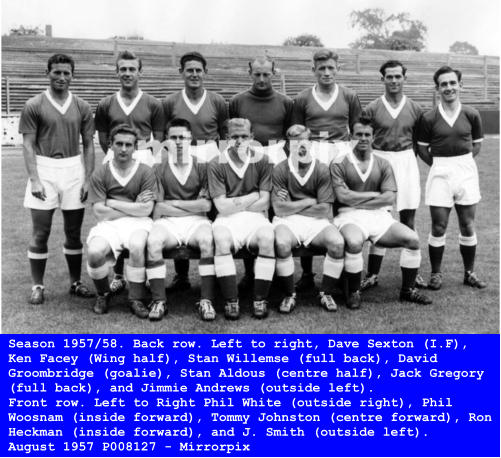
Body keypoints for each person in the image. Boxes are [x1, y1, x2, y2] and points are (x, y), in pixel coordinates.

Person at [331, 116, 432, 309]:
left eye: (367, 134)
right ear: (351, 136)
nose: (362, 138)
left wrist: (357, 196)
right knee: (353, 242)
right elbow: (343, 197)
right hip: (349, 216)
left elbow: (389, 198)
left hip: (379, 216)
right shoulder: (339, 163)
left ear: (373, 137)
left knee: (412, 239)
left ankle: (407, 290)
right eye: (358, 134)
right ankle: (353, 292)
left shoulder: (383, 163)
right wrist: (374, 195)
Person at [20, 53, 95, 305]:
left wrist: (87, 180)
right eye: (56, 72)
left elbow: (89, 146)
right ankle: (37, 285)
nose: (62, 77)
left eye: (66, 73)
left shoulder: (82, 106)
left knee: (73, 233)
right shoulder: (34, 104)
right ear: (47, 73)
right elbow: (28, 145)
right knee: (40, 232)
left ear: (73, 75)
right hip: (44, 169)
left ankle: (75, 282)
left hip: (74, 169)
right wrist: (35, 179)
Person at [94, 50, 165, 295]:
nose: (127, 73)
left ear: (139, 72)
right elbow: (104, 139)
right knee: (114, 217)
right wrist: (119, 154)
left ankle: (142, 272)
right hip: (117, 156)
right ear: (117, 72)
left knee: (143, 216)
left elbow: (159, 139)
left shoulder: (153, 103)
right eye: (122, 69)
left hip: (144, 157)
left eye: (131, 69)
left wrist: (144, 161)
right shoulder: (106, 103)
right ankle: (117, 274)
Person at [291, 49, 362, 292]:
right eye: (321, 68)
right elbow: (297, 133)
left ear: (337, 69)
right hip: (313, 152)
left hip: (341, 151)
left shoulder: (349, 96)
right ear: (313, 70)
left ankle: (342, 270)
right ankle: (308, 273)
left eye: (331, 68)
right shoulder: (302, 98)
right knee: (311, 207)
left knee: (343, 207)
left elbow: (357, 129)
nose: (326, 73)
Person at [162, 51, 228, 292]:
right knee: (181, 211)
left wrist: (218, 167)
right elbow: (163, 138)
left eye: (198, 70)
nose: (194, 74)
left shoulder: (218, 101)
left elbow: (223, 136)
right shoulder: (170, 101)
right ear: (181, 72)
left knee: (211, 213)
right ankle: (182, 275)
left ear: (205, 72)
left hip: (209, 155)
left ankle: (216, 272)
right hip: (181, 155)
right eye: (189, 70)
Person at [417, 66, 486, 290]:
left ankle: (469, 273)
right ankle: (436, 273)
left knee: (467, 224)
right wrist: (440, 164)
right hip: (440, 170)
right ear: (437, 89)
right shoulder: (428, 117)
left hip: (465, 169)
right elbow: (423, 150)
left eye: (452, 83)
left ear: (460, 85)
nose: (449, 88)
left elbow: (476, 145)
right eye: (443, 84)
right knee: (439, 226)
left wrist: (461, 163)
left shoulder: (471, 114)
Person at [229, 56, 293, 290]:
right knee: (251, 209)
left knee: (277, 208)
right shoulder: (237, 101)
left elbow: (290, 136)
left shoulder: (286, 102)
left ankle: (276, 268)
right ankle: (250, 271)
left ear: (273, 73)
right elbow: (234, 132)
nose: (262, 78)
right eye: (257, 74)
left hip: (276, 154)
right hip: (247, 153)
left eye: (266, 74)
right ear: (250, 73)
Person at [362, 60, 426, 290]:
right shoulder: (371, 108)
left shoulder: (416, 109)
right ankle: (372, 273)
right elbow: (363, 139)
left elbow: (419, 141)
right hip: (380, 160)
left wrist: (409, 161)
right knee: (378, 217)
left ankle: (412, 273)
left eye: (398, 76)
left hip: (406, 160)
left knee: (408, 217)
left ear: (404, 78)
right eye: (389, 77)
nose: (394, 81)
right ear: (382, 79)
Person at [146, 119, 216, 321]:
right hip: (168, 223)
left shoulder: (201, 166)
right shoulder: (158, 168)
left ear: (190, 139)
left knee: (206, 241)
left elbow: (206, 206)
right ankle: (159, 300)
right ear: (166, 140)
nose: (178, 142)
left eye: (182, 138)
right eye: (173, 137)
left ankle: (206, 300)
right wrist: (190, 204)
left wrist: (173, 203)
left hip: (197, 221)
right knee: (153, 242)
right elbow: (158, 207)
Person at [86, 125, 158, 317]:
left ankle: (136, 298)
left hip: (140, 223)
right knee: (94, 252)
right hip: (110, 224)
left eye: (128, 144)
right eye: (119, 144)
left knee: (136, 246)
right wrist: (132, 206)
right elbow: (99, 212)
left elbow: (146, 209)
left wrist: (112, 202)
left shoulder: (145, 171)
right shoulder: (101, 173)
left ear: (135, 147)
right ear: (110, 145)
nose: (124, 149)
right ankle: (103, 293)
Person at [272, 125, 344, 313]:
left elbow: (324, 210)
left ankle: (326, 292)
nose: (299, 147)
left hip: (316, 222)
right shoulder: (280, 169)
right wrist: (309, 201)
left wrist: (293, 206)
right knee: (281, 244)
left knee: (337, 243)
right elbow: (279, 209)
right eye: (294, 143)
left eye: (303, 142)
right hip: (286, 222)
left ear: (310, 143)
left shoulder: (321, 169)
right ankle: (289, 294)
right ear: (288, 145)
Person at [208, 118, 275, 319]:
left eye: (244, 136)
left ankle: (260, 298)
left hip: (256, 218)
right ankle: (231, 300)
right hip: (226, 220)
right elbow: (221, 206)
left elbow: (265, 203)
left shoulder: (262, 160)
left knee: (267, 238)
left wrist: (235, 203)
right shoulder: (216, 163)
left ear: (252, 137)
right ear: (227, 138)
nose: (239, 141)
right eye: (235, 136)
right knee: (220, 240)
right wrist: (252, 196)